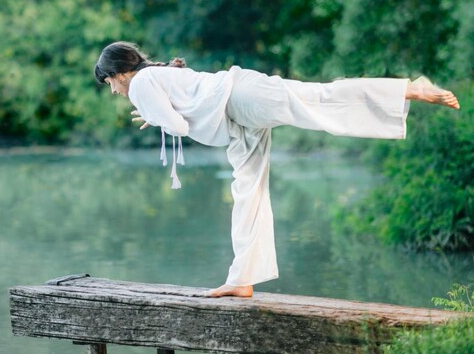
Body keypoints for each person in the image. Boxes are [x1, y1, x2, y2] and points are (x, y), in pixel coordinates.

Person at [93, 41, 460, 298]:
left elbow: (180, 126)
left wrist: (157, 117)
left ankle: (408, 90)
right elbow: (180, 112)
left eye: (109, 82)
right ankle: (243, 278)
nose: (112, 91)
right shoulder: (153, 77)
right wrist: (159, 115)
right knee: (247, 189)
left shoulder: (141, 82)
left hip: (241, 99)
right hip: (237, 115)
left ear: (120, 73)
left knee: (319, 97)